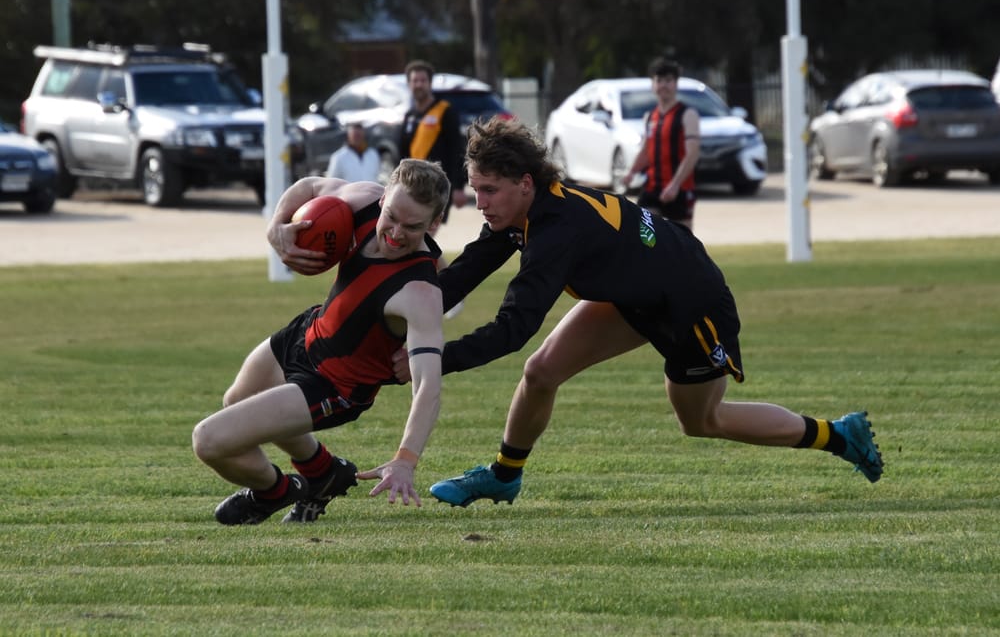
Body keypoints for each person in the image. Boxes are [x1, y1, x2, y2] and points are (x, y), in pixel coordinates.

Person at [390, 117, 882, 508]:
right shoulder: (521, 212)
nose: (479, 203)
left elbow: (514, 327)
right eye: (475, 189)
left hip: (689, 303)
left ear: (524, 183)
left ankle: (838, 435)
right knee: (541, 372)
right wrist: (387, 305)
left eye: (489, 190)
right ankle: (504, 476)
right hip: (635, 294)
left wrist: (432, 359)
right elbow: (464, 273)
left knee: (702, 420)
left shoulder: (556, 231)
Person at [192, 159, 451, 524]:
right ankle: (323, 472)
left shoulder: (420, 292)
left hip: (335, 387)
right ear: (383, 198)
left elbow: (428, 387)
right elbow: (310, 186)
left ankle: (275, 492)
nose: (395, 234)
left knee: (209, 440)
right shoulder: (364, 199)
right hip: (308, 332)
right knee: (235, 400)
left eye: (412, 227)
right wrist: (277, 226)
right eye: (391, 217)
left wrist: (405, 460)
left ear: (434, 224)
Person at [623, 57, 701, 231]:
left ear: (676, 84)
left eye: (668, 80)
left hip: (680, 189)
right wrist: (631, 172)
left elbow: (693, 153)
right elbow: (646, 150)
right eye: (659, 80)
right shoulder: (650, 116)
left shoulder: (687, 114)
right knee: (645, 236)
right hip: (652, 187)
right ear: (653, 85)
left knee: (682, 240)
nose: (663, 85)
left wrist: (675, 185)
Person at [400, 59, 466, 223]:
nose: (419, 84)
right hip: (413, 186)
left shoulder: (444, 111)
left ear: (430, 83)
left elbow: (457, 149)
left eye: (423, 80)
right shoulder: (409, 116)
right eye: (415, 81)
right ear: (409, 84)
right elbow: (402, 155)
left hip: (438, 185)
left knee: (426, 229)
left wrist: (458, 186)